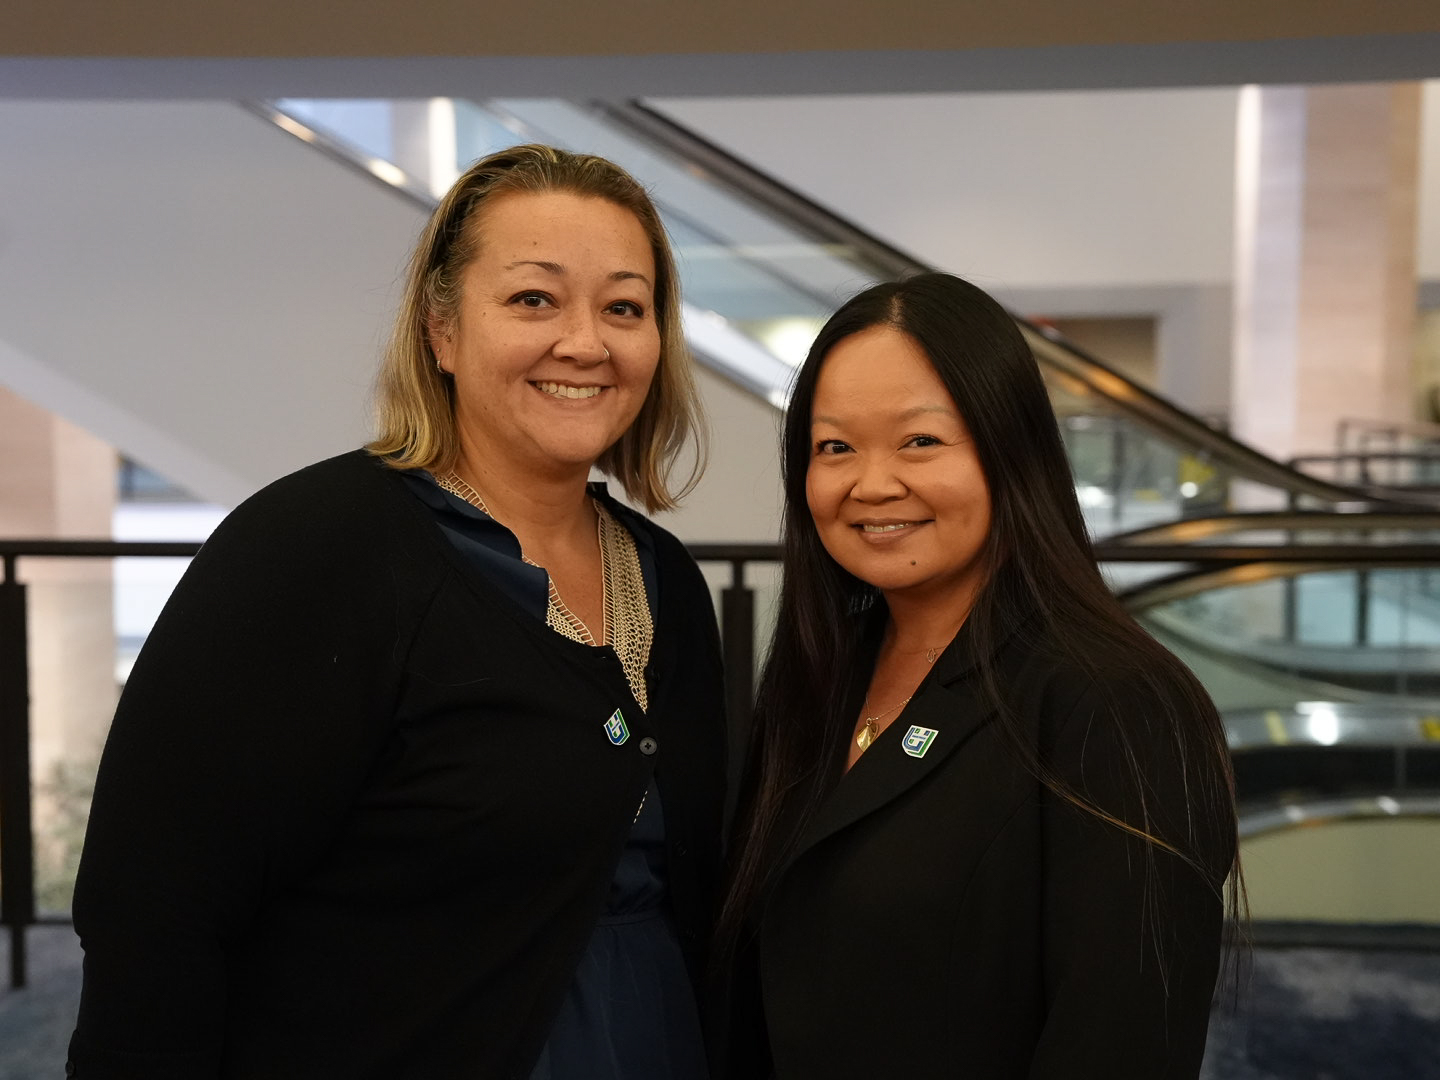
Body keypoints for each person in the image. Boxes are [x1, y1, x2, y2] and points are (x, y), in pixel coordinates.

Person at [68, 144, 725, 1080]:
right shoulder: (316, 551)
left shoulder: (668, 583)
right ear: (441, 332)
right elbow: (153, 909)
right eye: (533, 299)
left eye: (624, 307)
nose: (586, 342)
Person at [720, 272, 1240, 1079]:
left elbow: (1122, 1044)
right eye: (835, 447)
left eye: (920, 441)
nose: (872, 483)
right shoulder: (818, 679)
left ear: (1010, 449)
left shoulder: (1119, 701)